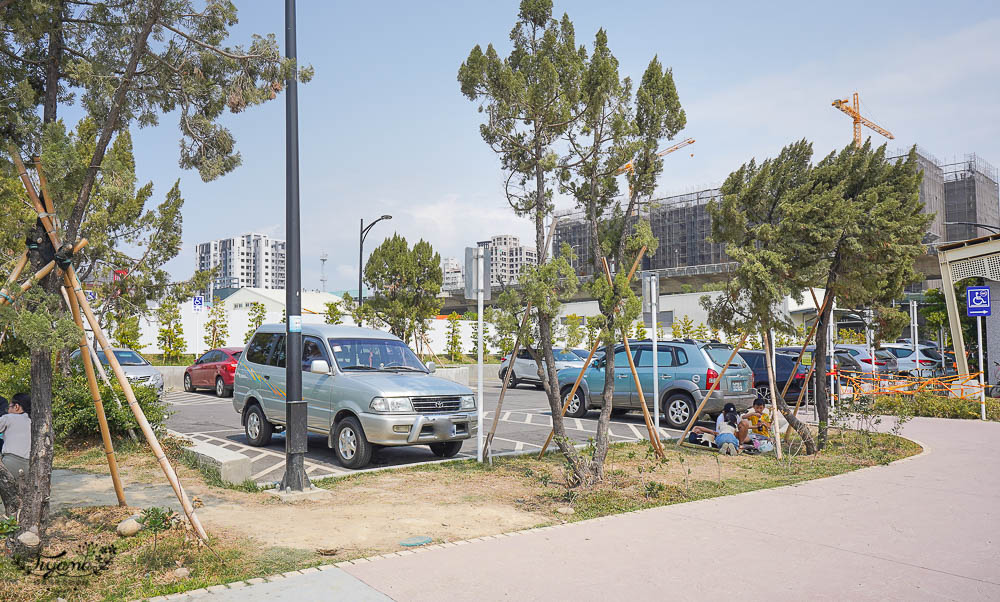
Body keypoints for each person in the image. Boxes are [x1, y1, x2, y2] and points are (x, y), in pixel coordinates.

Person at [0, 393, 31, 483]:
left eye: (9, 407)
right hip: (28, 465)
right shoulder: (32, 421)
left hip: (10, 462)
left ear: (16, 406)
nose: (8, 410)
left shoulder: (8, 418)